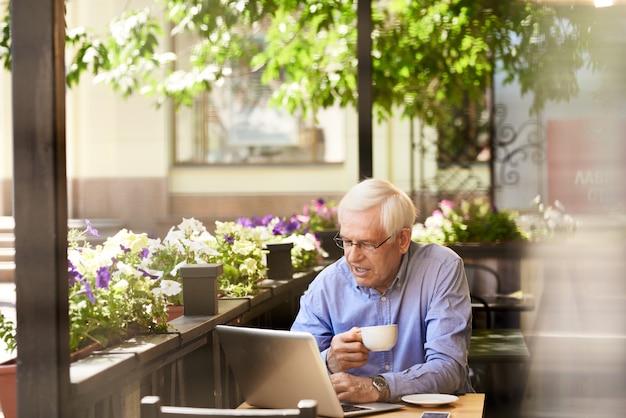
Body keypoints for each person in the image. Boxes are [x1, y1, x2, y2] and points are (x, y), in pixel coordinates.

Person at [291, 178, 473, 403]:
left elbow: (449, 367)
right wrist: (328, 361)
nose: (353, 257)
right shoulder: (328, 285)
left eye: (367, 244)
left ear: (402, 240)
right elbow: (292, 372)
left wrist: (378, 387)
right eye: (347, 242)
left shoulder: (440, 269)